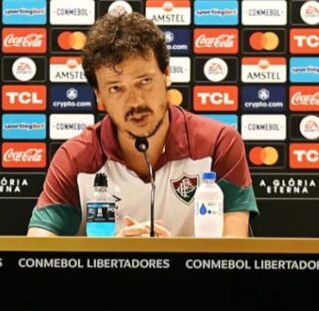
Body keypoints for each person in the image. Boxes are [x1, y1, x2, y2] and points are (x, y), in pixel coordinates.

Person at [27, 12, 258, 237]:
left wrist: (173, 259)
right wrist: (111, 258)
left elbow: (234, 254)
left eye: (145, 81)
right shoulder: (75, 158)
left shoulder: (218, 143)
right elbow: (37, 251)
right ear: (99, 96)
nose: (135, 102)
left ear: (166, 75)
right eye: (116, 88)